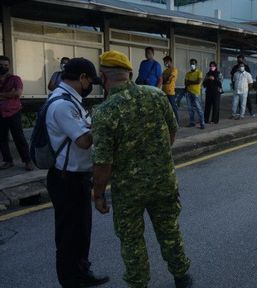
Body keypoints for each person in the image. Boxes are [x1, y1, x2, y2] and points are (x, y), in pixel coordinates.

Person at [92, 51, 192, 288]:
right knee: (169, 230)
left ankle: (139, 283)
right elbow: (173, 129)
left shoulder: (104, 112)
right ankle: (181, 276)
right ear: (129, 73)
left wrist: (98, 195)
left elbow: (102, 162)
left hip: (128, 191)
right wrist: (157, 155)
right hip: (163, 181)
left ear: (103, 77)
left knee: (131, 240)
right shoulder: (156, 96)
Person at [44, 57, 109, 288]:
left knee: (81, 232)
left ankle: (82, 273)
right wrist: (105, 124)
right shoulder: (62, 104)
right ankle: (71, 281)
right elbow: (83, 140)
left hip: (78, 178)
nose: (91, 86)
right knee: (69, 236)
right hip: (66, 180)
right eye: (90, 81)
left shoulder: (74, 101)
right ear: (82, 78)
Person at [0, 56, 33, 171]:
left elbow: (17, 93)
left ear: (9, 66)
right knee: (2, 138)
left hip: (13, 112)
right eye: (1, 65)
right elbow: (12, 94)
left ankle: (27, 161)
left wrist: (2, 95)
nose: (3, 67)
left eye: (6, 65)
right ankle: (8, 161)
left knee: (19, 137)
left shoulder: (15, 79)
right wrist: (9, 93)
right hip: (0, 113)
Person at [185, 59, 205, 129]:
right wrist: (192, 81)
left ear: (196, 64)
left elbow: (198, 82)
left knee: (198, 108)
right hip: (188, 92)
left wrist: (189, 82)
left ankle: (202, 123)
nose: (192, 65)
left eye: (193, 64)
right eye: (191, 64)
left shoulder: (199, 72)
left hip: (196, 93)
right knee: (190, 109)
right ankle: (192, 123)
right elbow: (185, 83)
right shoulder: (188, 73)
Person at [162, 56, 179, 123]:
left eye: (166, 62)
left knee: (173, 108)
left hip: (171, 92)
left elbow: (169, 80)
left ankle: (176, 122)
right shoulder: (165, 71)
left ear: (170, 62)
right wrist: (165, 79)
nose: (165, 63)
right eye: (164, 62)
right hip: (164, 91)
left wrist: (166, 79)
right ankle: (168, 122)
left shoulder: (174, 70)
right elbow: (162, 80)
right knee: (166, 108)